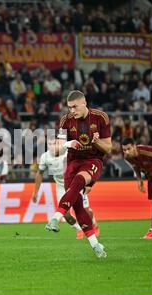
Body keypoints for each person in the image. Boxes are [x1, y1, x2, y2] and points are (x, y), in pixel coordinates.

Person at [53, 90, 112, 258]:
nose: (72, 111)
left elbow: (108, 149)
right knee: (78, 206)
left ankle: (56, 216)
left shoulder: (101, 117)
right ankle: (96, 245)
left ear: (84, 103)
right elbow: (56, 151)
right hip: (72, 163)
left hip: (93, 161)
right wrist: (68, 143)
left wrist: (97, 141)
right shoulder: (65, 120)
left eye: (74, 107)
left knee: (80, 180)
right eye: (69, 107)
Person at [33, 138, 99, 239]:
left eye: (54, 143)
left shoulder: (68, 151)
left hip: (76, 184)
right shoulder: (45, 157)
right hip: (60, 186)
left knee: (85, 211)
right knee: (66, 214)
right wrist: (35, 192)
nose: (52, 146)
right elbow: (39, 173)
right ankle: (78, 229)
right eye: (49, 144)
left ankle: (93, 223)